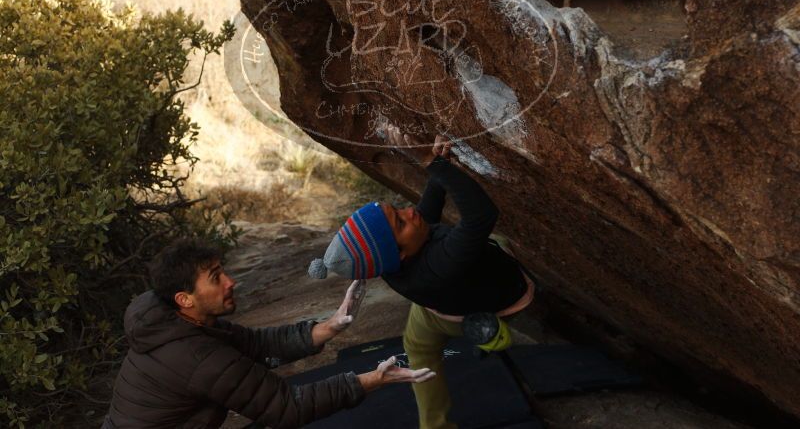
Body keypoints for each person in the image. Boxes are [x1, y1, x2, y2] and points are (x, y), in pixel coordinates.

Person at [308, 127, 535, 429]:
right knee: (492, 243)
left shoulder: (390, 264)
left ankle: (433, 425)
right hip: (499, 297)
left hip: (438, 306)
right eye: (400, 222)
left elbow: (426, 212)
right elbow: (481, 215)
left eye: (397, 210)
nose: (409, 212)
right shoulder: (437, 265)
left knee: (417, 347)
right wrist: (435, 165)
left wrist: (437, 161)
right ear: (399, 254)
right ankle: (488, 334)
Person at [102, 237, 435, 429]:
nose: (230, 281)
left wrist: (329, 326)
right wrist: (374, 379)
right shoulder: (195, 357)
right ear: (184, 299)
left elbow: (254, 345)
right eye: (215, 277)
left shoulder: (169, 318)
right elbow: (286, 406)